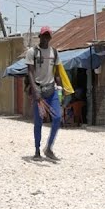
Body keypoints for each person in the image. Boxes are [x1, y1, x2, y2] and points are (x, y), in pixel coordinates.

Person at [26, 26, 62, 161]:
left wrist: (61, 89)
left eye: (48, 36)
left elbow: (57, 73)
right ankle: (37, 150)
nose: (46, 38)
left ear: (50, 38)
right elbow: (30, 71)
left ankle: (49, 148)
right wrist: (34, 89)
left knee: (57, 118)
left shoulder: (54, 52)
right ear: (40, 37)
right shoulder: (32, 52)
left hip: (51, 91)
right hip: (39, 92)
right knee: (38, 122)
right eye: (44, 36)